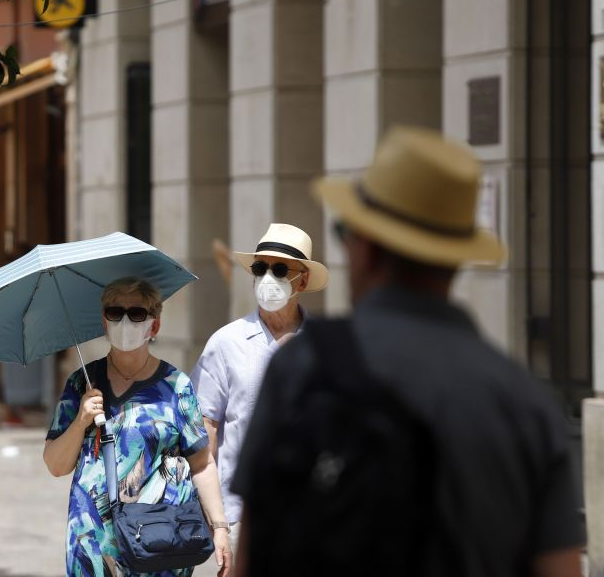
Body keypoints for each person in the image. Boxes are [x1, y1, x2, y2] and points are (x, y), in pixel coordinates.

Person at [232, 126, 585, 576]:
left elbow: (255, 552)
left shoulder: (304, 366)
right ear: (454, 257)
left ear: (366, 249)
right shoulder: (526, 405)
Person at [43, 276, 232, 577]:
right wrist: (80, 420)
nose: (125, 321)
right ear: (104, 322)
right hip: (93, 543)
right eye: (115, 312)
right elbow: (55, 464)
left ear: (154, 325)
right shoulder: (82, 384)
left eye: (137, 313)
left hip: (160, 541)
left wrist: (220, 527)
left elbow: (202, 464)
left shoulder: (176, 387)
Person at [190, 223, 327, 551]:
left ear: (303, 280)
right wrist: (215, 517)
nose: (268, 277)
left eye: (280, 269)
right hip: (242, 518)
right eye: (260, 267)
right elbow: (204, 426)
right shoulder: (225, 342)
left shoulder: (324, 346)